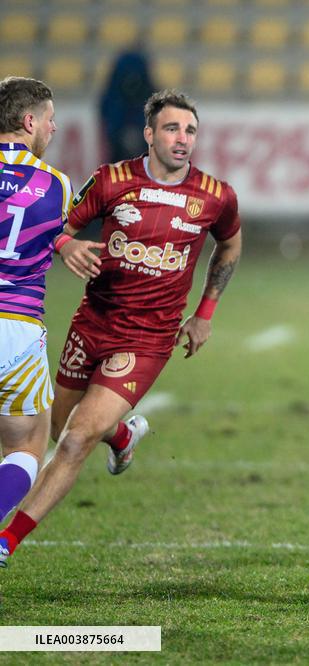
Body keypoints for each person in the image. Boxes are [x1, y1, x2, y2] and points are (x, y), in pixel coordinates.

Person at [0, 90, 242, 565]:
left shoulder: (216, 196)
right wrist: (68, 243)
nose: (182, 139)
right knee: (57, 427)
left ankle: (7, 542)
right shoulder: (109, 181)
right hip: (92, 322)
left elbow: (230, 247)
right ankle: (124, 437)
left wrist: (204, 314)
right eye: (172, 129)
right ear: (149, 134)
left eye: (190, 130)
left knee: (74, 438)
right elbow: (51, 225)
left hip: (148, 338)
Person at [0, 77, 72, 566]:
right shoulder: (57, 184)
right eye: (49, 118)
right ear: (29, 122)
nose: (53, 126)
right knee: (28, 442)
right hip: (18, 326)